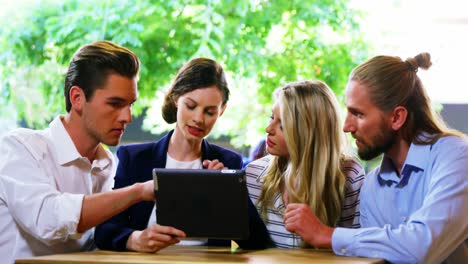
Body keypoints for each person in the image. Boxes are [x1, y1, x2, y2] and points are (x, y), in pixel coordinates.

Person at [284, 53, 468, 263]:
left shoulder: (456, 156)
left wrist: (326, 234)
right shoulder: (371, 185)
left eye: (358, 114)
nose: (346, 127)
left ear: (397, 117)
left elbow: (422, 247)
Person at [0, 40, 158, 264]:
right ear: (77, 98)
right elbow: (48, 219)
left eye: (130, 105)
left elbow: (111, 234)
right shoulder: (19, 148)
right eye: (115, 104)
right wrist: (137, 191)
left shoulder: (109, 165)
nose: (127, 117)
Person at [94, 57, 244, 252]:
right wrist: (135, 239)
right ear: (176, 99)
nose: (198, 119)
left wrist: (228, 192)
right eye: (191, 106)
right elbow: (105, 230)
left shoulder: (229, 162)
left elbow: (254, 238)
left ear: (222, 111)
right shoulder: (135, 158)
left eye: (209, 112)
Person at [245, 80, 365, 248]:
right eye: (272, 117)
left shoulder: (349, 174)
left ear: (308, 133)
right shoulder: (252, 174)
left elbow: (357, 247)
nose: (268, 129)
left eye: (282, 125)